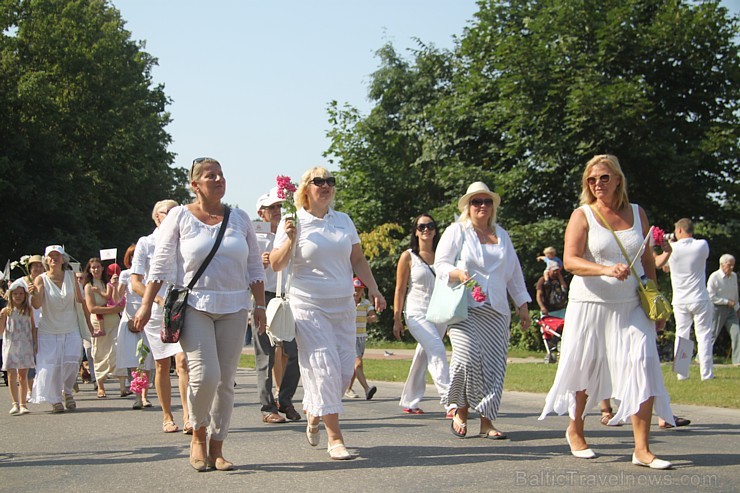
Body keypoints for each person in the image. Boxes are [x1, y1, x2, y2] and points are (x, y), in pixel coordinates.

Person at [539, 154, 674, 469]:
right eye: (591, 179)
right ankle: (575, 429)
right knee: (585, 368)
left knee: (643, 361)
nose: (597, 184)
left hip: (630, 305)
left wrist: (656, 302)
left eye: (603, 177)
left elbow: (646, 261)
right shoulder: (582, 214)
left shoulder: (638, 213)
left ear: (617, 179)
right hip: (590, 304)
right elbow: (570, 261)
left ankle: (641, 449)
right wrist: (604, 269)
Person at [134, 157, 266, 472]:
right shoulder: (179, 216)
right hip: (194, 306)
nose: (218, 179)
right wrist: (145, 303)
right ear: (195, 185)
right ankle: (198, 432)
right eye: (210, 175)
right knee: (206, 375)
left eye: (221, 174)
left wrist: (259, 306)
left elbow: (254, 267)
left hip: (235, 307)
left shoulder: (240, 218)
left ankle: (218, 447)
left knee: (226, 381)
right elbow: (161, 264)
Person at [271, 166, 386, 461]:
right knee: (324, 367)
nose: (326, 186)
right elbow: (275, 264)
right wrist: (290, 239)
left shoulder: (343, 221)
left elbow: (357, 258)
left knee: (344, 370)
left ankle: (314, 411)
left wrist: (374, 289)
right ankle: (335, 437)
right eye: (318, 181)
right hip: (308, 305)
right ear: (306, 189)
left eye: (330, 181)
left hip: (343, 306)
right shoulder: (293, 220)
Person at [435, 182, 531, 440]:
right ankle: (460, 410)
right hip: (465, 307)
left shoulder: (502, 235)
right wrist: (456, 273)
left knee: (493, 366)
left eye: (486, 202)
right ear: (468, 206)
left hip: (497, 310)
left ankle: (487, 422)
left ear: (493, 207)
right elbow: (440, 263)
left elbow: (514, 274)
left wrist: (522, 305)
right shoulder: (457, 231)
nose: (482, 206)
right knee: (465, 358)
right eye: (476, 201)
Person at [131, 199, 191, 433]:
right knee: (161, 365)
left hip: (182, 306)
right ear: (157, 217)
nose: (176, 215)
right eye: (169, 212)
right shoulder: (146, 243)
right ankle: (167, 415)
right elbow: (136, 282)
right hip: (157, 311)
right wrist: (155, 299)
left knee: (184, 361)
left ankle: (188, 415)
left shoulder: (185, 240)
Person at [393, 213, 450, 415]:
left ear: (436, 230)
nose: (426, 230)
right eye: (421, 227)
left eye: (430, 226)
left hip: (440, 313)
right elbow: (399, 290)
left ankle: (410, 400)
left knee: (423, 354)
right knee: (436, 349)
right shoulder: (408, 256)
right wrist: (397, 318)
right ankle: (451, 401)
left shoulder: (444, 256)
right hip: (416, 312)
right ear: (415, 232)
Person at [253, 188, 301, 423]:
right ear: (261, 213)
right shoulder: (254, 236)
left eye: (279, 207)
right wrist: (259, 263)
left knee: (294, 351)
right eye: (271, 208)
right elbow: (243, 271)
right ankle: (267, 407)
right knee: (266, 355)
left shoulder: (291, 230)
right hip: (263, 296)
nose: (276, 211)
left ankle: (285, 398)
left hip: (287, 295)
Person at [29, 245, 90, 412]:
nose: (54, 258)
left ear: (63, 259)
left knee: (72, 361)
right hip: (48, 330)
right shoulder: (40, 279)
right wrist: (33, 294)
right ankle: (56, 399)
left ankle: (67, 391)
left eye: (57, 255)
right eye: (51, 256)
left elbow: (80, 301)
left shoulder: (71, 276)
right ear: (46, 260)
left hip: (70, 327)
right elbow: (37, 304)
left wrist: (89, 325)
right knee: (53, 366)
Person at [653, 218, 714, 380]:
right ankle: (706, 373)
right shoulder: (702, 245)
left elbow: (664, 267)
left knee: (682, 335)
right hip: (699, 297)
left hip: (680, 298)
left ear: (679, 230)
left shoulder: (672, 248)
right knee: (704, 335)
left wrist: (662, 244)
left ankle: (682, 373)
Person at [114, 244, 154, 409]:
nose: (134, 259)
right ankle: (137, 396)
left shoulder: (151, 274)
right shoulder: (125, 274)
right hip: (130, 320)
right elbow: (116, 299)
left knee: (147, 360)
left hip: (148, 320)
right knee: (134, 360)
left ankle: (145, 396)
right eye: (131, 256)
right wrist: (116, 285)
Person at [83, 257, 126, 398]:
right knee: (99, 352)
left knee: (117, 350)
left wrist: (115, 285)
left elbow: (117, 300)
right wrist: (112, 310)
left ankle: (122, 386)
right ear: (89, 270)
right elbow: (92, 308)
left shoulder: (107, 283)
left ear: (102, 268)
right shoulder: (88, 286)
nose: (95, 270)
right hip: (98, 322)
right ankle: (100, 386)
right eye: (93, 267)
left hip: (113, 322)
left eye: (98, 267)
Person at [0, 279, 36, 415]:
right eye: (15, 294)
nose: (18, 296)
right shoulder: (6, 311)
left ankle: (23, 404)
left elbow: (33, 327)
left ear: (25, 295)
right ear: (10, 295)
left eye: (21, 293)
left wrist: (35, 342)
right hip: (11, 344)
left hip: (25, 344)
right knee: (11, 373)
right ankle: (14, 403)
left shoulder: (28, 310)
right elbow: (1, 331)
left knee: (23, 375)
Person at [345, 278, 377, 400]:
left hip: (361, 337)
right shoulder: (347, 302)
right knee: (358, 363)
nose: (356, 292)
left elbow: (373, 316)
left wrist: (370, 318)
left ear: (363, 291)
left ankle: (348, 388)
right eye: (354, 289)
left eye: (359, 290)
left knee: (356, 366)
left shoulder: (365, 303)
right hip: (350, 336)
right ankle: (367, 389)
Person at [708, 254, 739, 366]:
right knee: (712, 333)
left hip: (731, 309)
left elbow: (735, 294)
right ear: (722, 264)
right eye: (729, 265)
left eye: (732, 265)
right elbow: (711, 296)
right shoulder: (714, 277)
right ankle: (702, 357)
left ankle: (737, 360)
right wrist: (726, 302)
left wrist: (737, 308)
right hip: (717, 308)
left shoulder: (734, 276)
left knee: (737, 333)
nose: (731, 268)